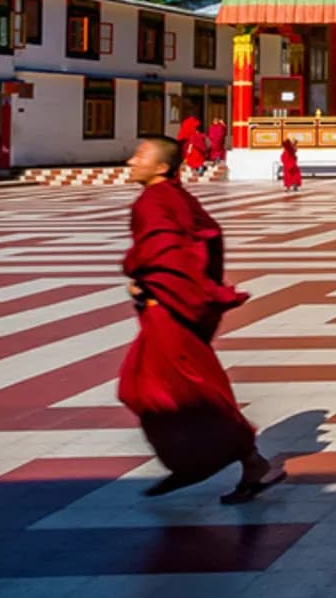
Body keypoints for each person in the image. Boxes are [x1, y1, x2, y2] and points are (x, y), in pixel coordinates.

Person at [118, 136, 279, 504]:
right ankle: (209, 460)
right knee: (164, 388)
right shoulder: (175, 196)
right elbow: (203, 238)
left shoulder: (155, 201)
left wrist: (154, 283)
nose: (130, 160)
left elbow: (168, 254)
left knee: (176, 392)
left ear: (161, 167)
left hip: (169, 311)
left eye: (139, 155)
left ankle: (229, 460)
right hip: (170, 305)